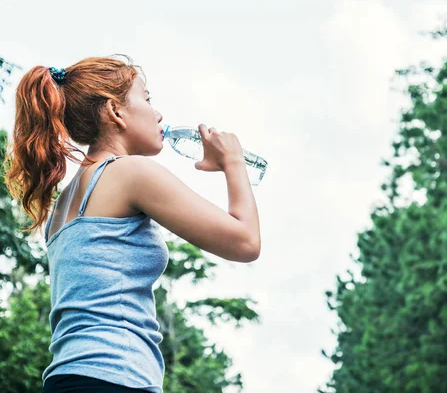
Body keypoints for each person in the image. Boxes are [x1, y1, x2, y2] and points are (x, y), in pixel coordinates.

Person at [2, 54, 261, 392]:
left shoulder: (65, 203)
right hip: (114, 378)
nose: (158, 114)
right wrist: (234, 163)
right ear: (115, 111)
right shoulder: (129, 172)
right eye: (147, 98)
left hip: (66, 378)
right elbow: (245, 242)